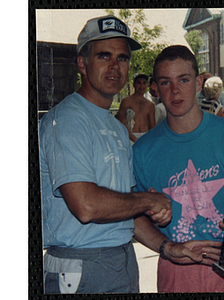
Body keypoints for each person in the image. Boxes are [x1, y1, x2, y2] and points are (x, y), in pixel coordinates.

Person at [39, 15, 174, 294]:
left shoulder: (115, 126)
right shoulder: (67, 120)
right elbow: (87, 206)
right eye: (104, 56)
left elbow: (124, 210)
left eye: (122, 58)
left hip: (121, 259)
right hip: (80, 266)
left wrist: (167, 247)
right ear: (82, 64)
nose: (115, 66)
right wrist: (148, 199)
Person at [133, 45, 224, 293]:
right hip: (178, 270)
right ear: (156, 88)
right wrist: (164, 246)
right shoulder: (142, 150)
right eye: (165, 82)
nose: (175, 91)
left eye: (183, 79)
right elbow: (135, 217)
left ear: (197, 83)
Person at [116, 73, 156, 143]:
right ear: (134, 85)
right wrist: (134, 139)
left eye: (144, 83)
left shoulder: (150, 105)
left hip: (145, 137)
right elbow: (121, 123)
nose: (141, 86)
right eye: (139, 83)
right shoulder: (126, 102)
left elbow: (152, 126)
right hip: (129, 138)